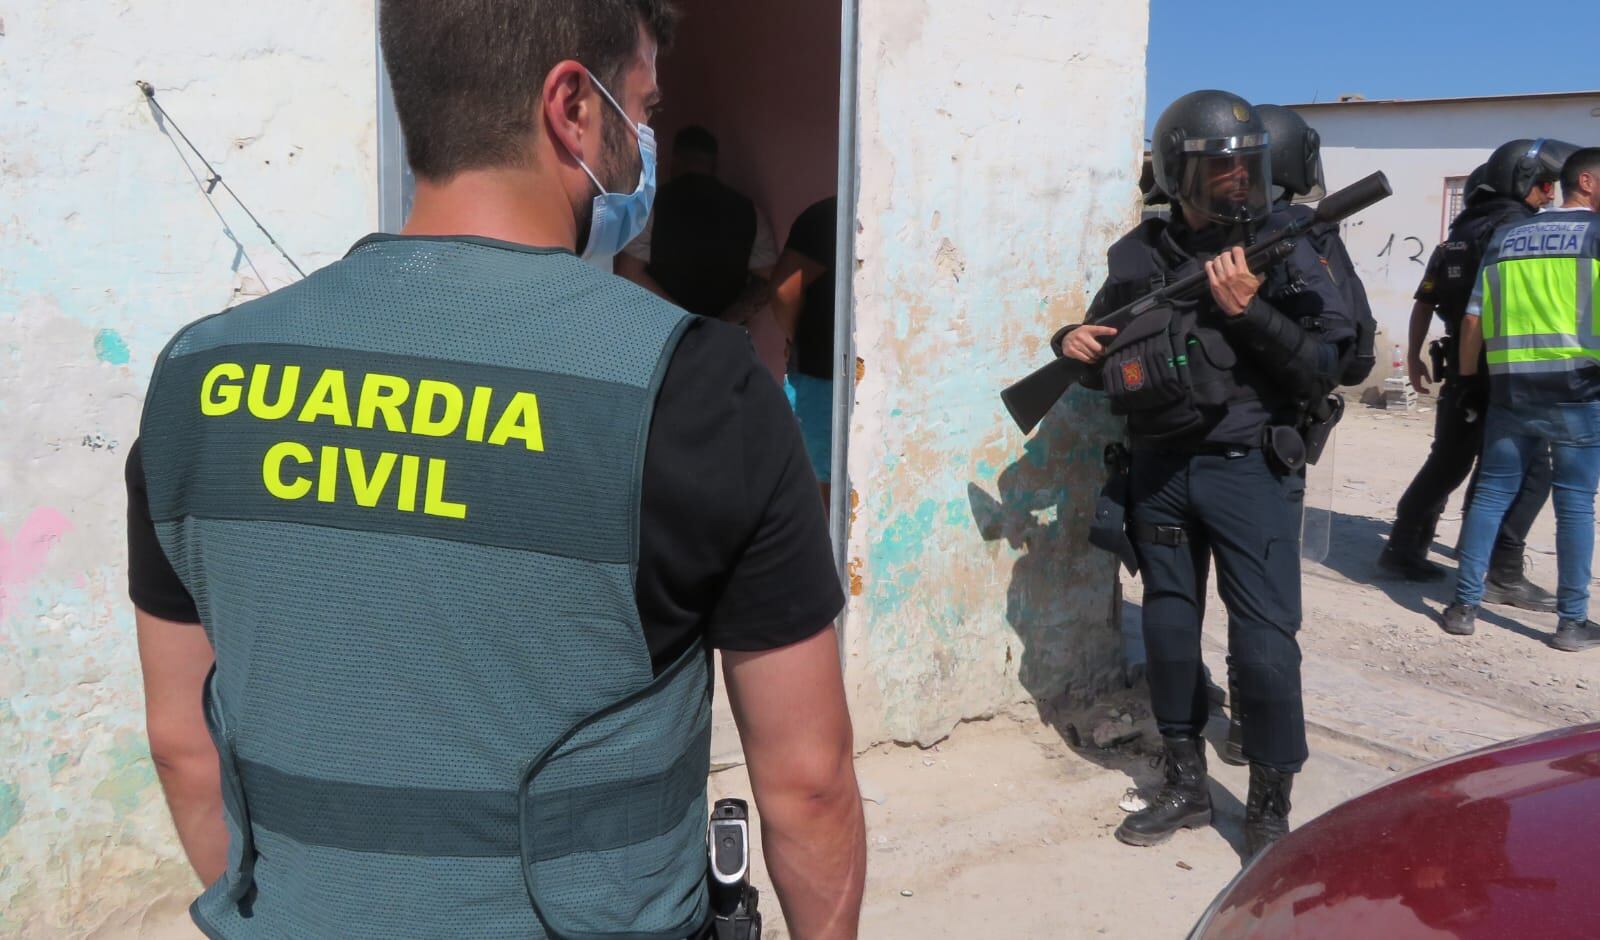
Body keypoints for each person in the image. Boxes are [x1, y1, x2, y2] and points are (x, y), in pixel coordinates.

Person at [125, 2, 866, 937]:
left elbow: (183, 745)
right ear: (572, 107)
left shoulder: (199, 382)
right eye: (640, 108)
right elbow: (807, 786)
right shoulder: (698, 389)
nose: (645, 142)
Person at [1058, 91, 1357, 859]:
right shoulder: (1139, 256)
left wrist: (1252, 311)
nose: (1236, 178)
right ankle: (1186, 782)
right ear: (1178, 174)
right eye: (1218, 165)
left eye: (1246, 164)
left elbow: (1331, 364)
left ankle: (1266, 805)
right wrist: (1072, 341)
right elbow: (1106, 353)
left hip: (1248, 469)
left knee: (1263, 642)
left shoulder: (1287, 242)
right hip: (1159, 469)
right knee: (1165, 628)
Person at [1378, 139, 1577, 605]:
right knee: (1529, 468)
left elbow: (1425, 300)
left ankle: (1403, 549)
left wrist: (1413, 357)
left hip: (1462, 366)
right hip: (1505, 367)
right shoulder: (1517, 229)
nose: (1550, 196)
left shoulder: (1457, 233)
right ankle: (1501, 570)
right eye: (1545, 186)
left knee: (1448, 460)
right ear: (1523, 183)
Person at [1443, 147, 1600, 651]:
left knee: (1491, 494)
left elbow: (1472, 318)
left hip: (1510, 391)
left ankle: (1464, 606)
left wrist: (1467, 381)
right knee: (1575, 505)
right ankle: (1571, 623)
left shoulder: (1509, 234)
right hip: (1579, 391)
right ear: (1589, 183)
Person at [616, 125, 778, 317]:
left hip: (661, 332)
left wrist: (686, 321)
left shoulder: (650, 207)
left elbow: (628, 273)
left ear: (674, 160)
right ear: (714, 164)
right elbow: (768, 280)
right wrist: (725, 322)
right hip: (721, 335)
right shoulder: (751, 213)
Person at [771, 196, 839, 504]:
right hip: (832, 376)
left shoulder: (827, 213)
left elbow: (784, 291)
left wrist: (794, 336)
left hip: (818, 376)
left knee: (816, 502)